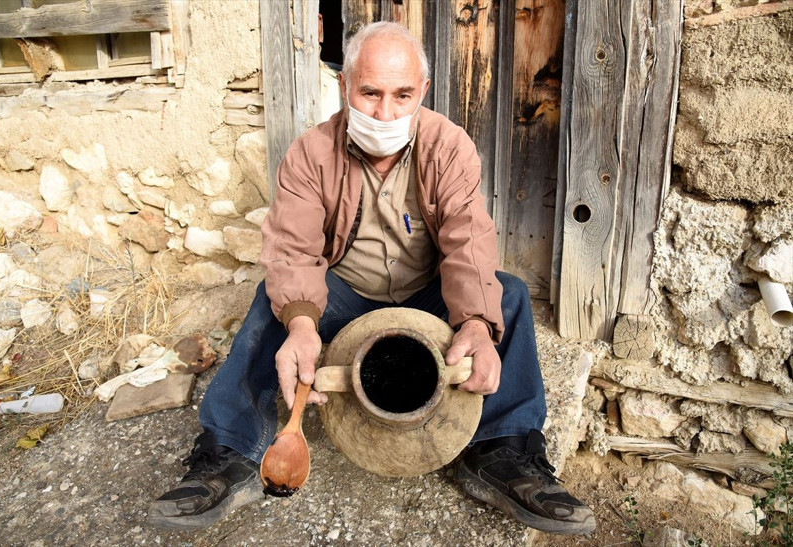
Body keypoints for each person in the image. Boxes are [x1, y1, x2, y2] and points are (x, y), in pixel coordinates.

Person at [149, 22, 596, 536]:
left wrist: (475, 322)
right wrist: (301, 325)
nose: (385, 113)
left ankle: (502, 451)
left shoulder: (449, 147)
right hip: (345, 300)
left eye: (402, 95)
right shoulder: (311, 153)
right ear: (344, 86)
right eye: (370, 93)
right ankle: (230, 452)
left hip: (425, 298)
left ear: (423, 91)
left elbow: (468, 243)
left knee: (508, 294)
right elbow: (294, 250)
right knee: (274, 303)